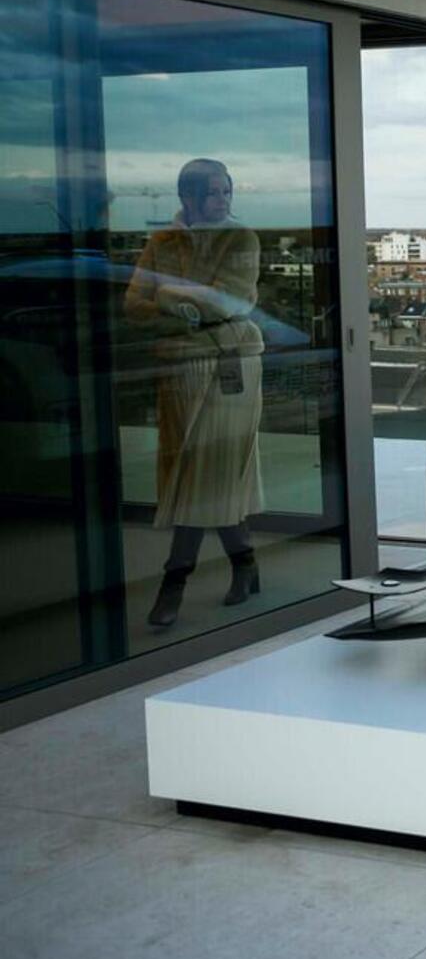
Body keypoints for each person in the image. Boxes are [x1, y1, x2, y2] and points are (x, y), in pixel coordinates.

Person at [123, 157, 266, 629]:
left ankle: (174, 581)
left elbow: (232, 300)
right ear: (187, 197)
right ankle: (245, 563)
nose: (222, 200)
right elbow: (134, 304)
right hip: (179, 370)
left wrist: (169, 295)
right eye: (212, 192)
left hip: (229, 366)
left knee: (203, 472)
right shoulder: (162, 240)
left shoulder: (241, 239)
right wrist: (183, 301)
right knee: (205, 475)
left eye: (226, 191)